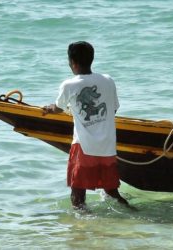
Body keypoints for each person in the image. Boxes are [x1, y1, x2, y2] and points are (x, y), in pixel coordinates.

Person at [43, 41, 128, 209]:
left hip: (84, 146)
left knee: (78, 194)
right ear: (91, 59)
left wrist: (48, 109)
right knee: (111, 191)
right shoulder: (108, 80)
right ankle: (130, 210)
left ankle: (83, 227)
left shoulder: (69, 85)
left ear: (72, 63)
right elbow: (114, 109)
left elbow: (58, 108)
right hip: (107, 147)